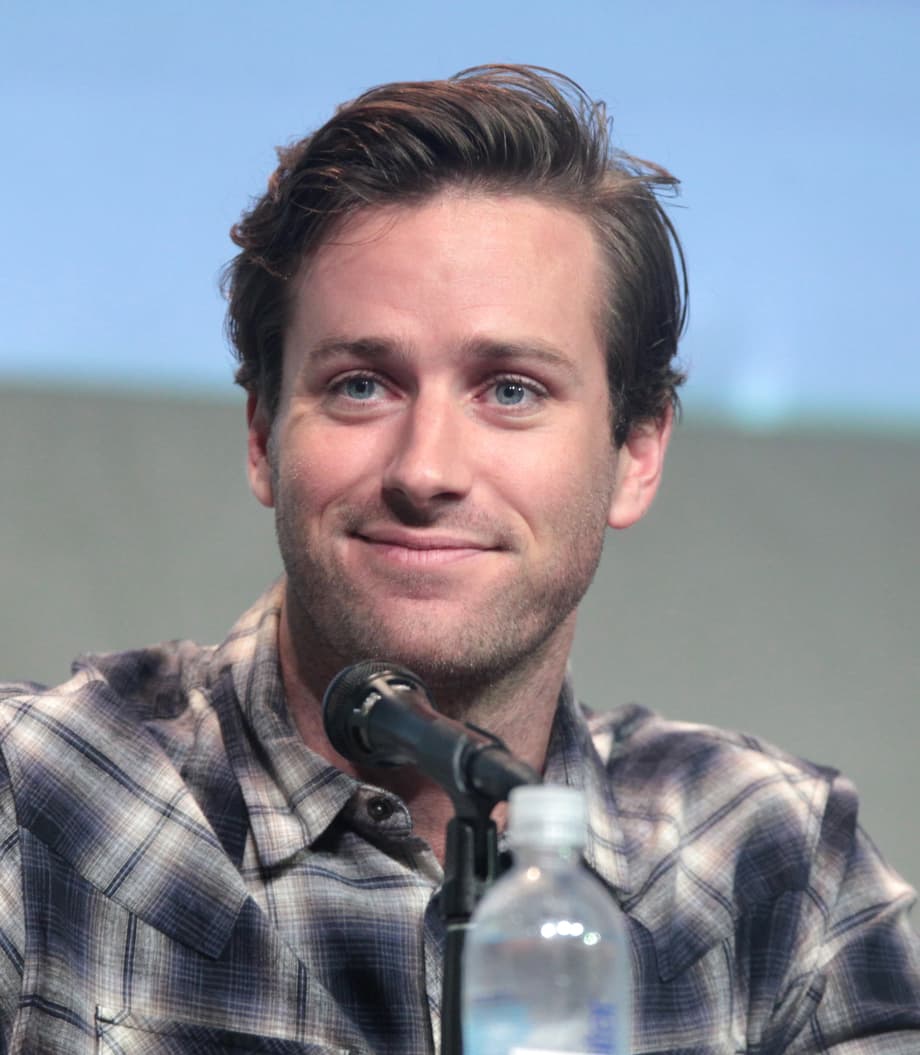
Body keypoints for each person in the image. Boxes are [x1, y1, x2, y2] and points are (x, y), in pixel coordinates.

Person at [1, 64, 918, 1054]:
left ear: (636, 452)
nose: (425, 469)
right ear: (263, 434)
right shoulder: (35, 803)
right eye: (361, 384)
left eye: (510, 389)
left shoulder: (768, 863)